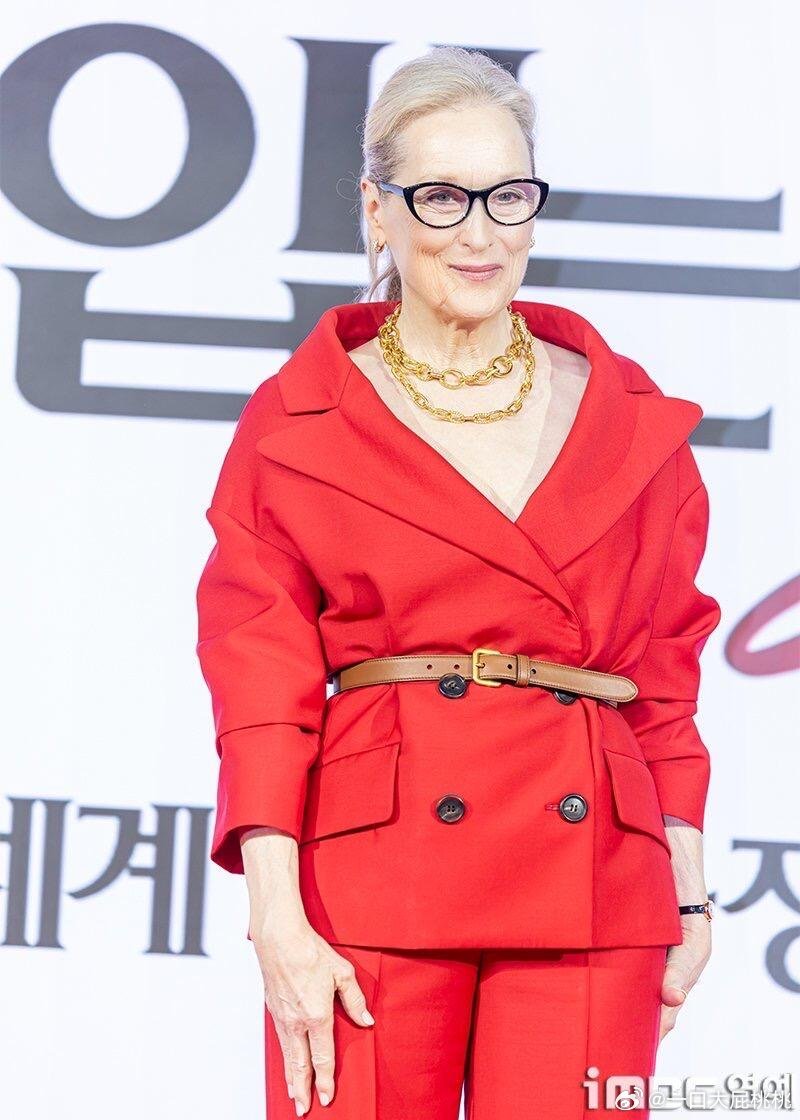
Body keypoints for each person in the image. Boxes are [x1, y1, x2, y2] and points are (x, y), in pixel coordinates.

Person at [195, 46, 721, 1120]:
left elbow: (664, 676)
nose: (479, 233)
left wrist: (689, 884)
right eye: (441, 197)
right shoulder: (302, 420)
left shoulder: (627, 418)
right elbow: (259, 683)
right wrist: (274, 914)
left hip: (592, 884)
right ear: (376, 211)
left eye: (508, 196)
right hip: (372, 873)